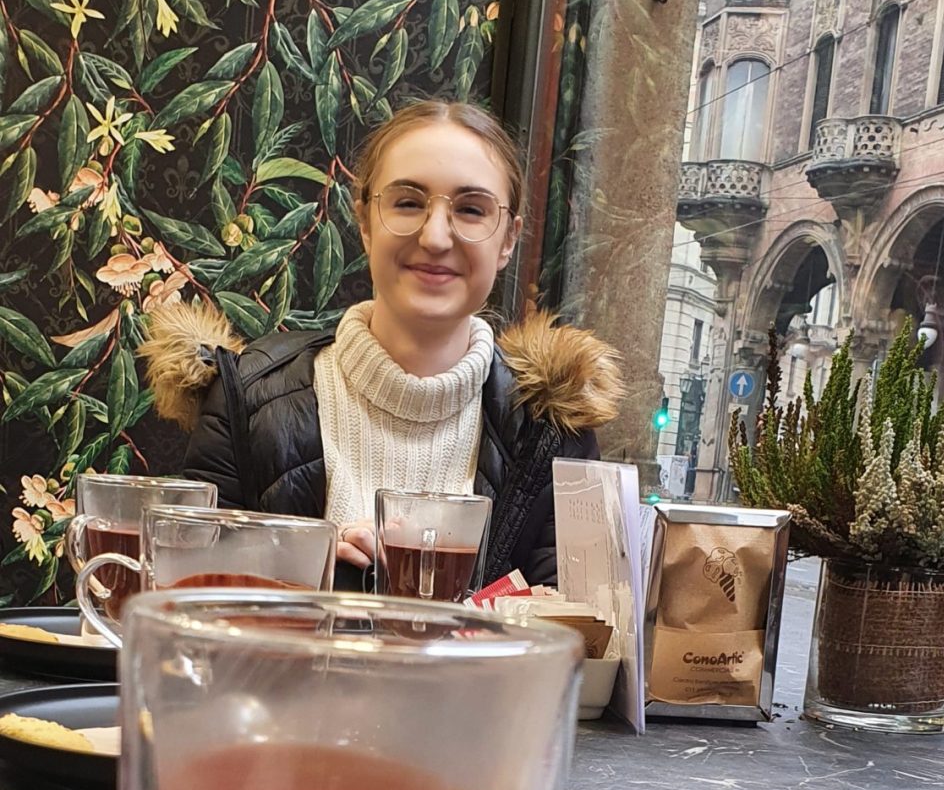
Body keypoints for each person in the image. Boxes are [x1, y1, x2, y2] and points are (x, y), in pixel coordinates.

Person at [144, 99, 623, 585]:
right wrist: (305, 576)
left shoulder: (553, 431)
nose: (436, 237)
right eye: (408, 202)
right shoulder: (246, 397)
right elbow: (192, 612)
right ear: (366, 222)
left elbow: (577, 645)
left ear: (508, 240)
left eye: (472, 209)